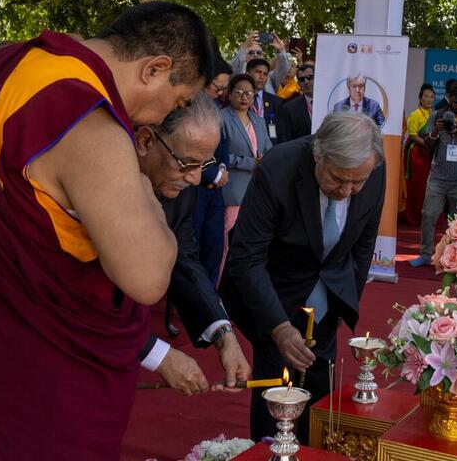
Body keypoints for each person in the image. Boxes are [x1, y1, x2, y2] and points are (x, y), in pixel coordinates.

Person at [0, 1, 213, 459]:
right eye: (178, 102)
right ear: (155, 70)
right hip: (40, 382)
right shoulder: (87, 120)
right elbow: (146, 279)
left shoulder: (19, 66)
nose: (165, 118)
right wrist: (147, 196)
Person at [218, 112, 385, 443]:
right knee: (276, 389)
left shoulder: (372, 169)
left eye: (358, 182)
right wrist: (278, 327)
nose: (348, 191)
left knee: (320, 386)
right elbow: (247, 257)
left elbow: (363, 246)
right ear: (317, 155)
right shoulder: (278, 168)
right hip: (274, 293)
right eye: (338, 179)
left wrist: (346, 298)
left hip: (328, 294)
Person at [134, 93, 252, 394]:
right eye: (187, 163)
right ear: (146, 141)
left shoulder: (179, 180)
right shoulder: (97, 182)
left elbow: (183, 257)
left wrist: (224, 334)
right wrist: (157, 355)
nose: (197, 179)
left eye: (205, 164)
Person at [410, 80, 457, 267]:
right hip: (437, 177)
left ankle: (456, 257)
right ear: (448, 98)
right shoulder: (436, 115)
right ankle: (426, 254)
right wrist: (435, 131)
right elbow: (427, 147)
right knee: (428, 215)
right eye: (455, 102)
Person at [220, 73, 274, 276]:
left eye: (249, 93)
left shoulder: (259, 121)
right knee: (227, 245)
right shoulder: (222, 117)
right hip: (233, 192)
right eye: (239, 92)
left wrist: (267, 160)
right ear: (230, 93)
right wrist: (251, 163)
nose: (244, 97)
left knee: (251, 246)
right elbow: (220, 155)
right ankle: (220, 291)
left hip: (257, 192)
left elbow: (268, 148)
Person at [193, 54, 232, 284]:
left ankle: (209, 298)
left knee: (215, 246)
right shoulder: (188, 104)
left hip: (216, 191)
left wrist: (223, 168)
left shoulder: (216, 106)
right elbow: (188, 146)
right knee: (193, 246)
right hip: (195, 188)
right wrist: (214, 174)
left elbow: (223, 141)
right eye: (218, 87)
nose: (220, 93)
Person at [403, 84, 436, 225]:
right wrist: (428, 144)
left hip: (430, 154)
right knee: (417, 185)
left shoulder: (435, 114)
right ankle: (414, 217)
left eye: (431, 97)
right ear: (420, 98)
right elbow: (412, 135)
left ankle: (427, 215)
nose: (428, 100)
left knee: (429, 186)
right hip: (417, 153)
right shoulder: (415, 114)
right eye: (426, 96)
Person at [246, 57, 283, 142]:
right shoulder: (238, 99)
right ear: (247, 74)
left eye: (265, 74)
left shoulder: (275, 102)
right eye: (258, 72)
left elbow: (279, 132)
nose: (262, 77)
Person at [277, 62, 315, 143]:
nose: (306, 81)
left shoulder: (330, 102)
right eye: (302, 79)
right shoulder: (289, 109)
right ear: (299, 84)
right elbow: (286, 140)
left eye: (309, 77)